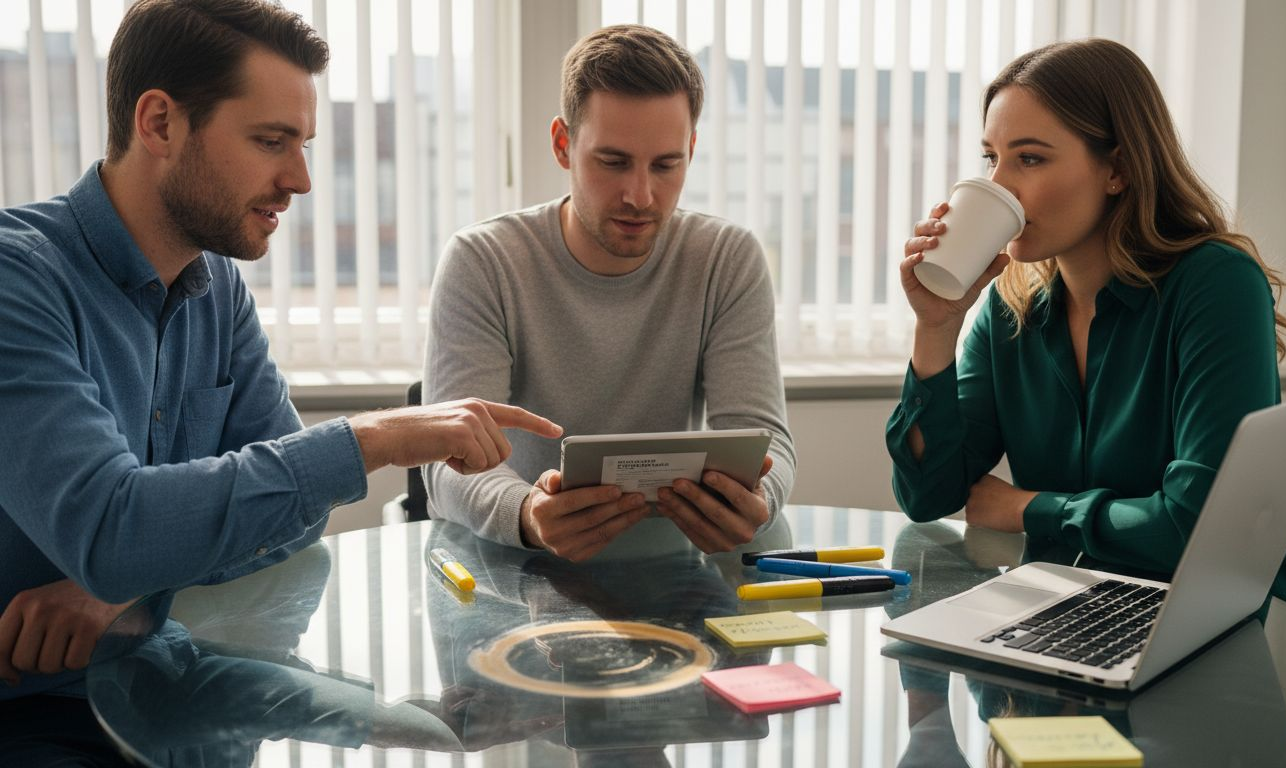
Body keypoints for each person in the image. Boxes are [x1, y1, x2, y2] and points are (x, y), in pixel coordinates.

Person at [0, 0, 559, 755]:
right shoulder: (17, 281)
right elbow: (111, 530)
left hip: (167, 683)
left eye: (303, 145)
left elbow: (294, 519)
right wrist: (372, 439)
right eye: (271, 141)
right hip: (31, 713)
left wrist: (133, 590)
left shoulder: (217, 287)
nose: (299, 179)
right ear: (159, 123)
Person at [885, 38, 1286, 610]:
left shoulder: (1216, 284)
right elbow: (928, 494)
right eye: (991, 158)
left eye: (1029, 159)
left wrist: (1030, 508)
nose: (998, 184)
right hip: (1065, 609)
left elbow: (1203, 526)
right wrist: (936, 327)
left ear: (1118, 169)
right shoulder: (1010, 307)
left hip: (1213, 617)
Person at [423, 24, 795, 562]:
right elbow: (447, 463)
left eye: (666, 165)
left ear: (691, 150)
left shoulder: (726, 259)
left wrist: (759, 499)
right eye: (613, 162)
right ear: (563, 145)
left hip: (673, 566)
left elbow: (765, 439)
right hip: (519, 567)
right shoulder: (483, 261)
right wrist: (528, 513)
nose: (640, 196)